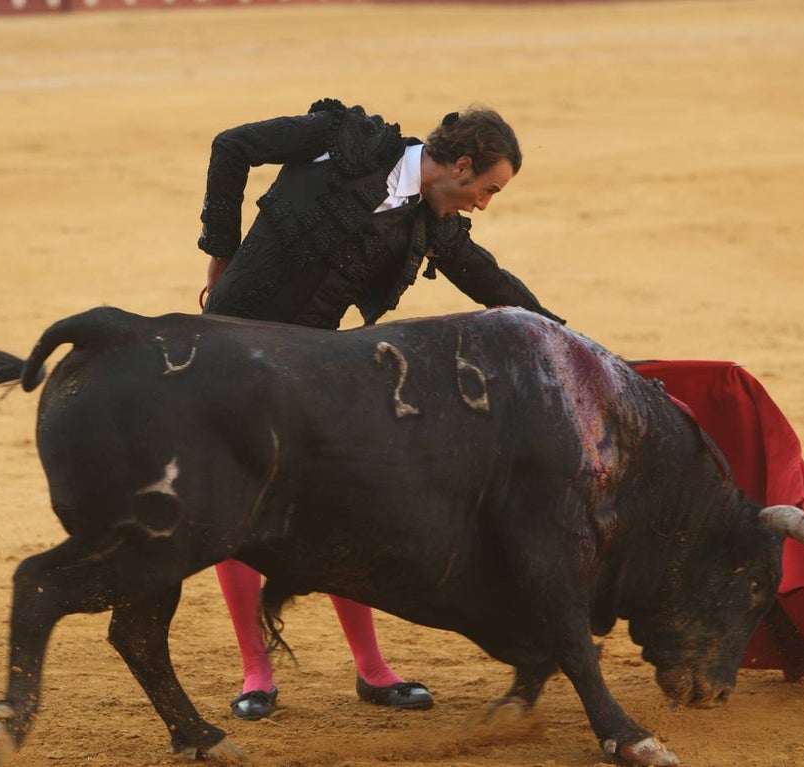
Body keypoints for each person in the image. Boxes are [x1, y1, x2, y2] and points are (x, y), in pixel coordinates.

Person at [198, 98, 566, 720]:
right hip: (234, 344)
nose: (484, 204)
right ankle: (256, 670)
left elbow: (490, 281)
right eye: (489, 190)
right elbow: (231, 144)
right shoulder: (343, 139)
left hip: (314, 362)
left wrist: (563, 339)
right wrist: (223, 252)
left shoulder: (431, 221)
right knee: (238, 504)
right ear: (462, 165)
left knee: (340, 504)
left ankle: (372, 669)